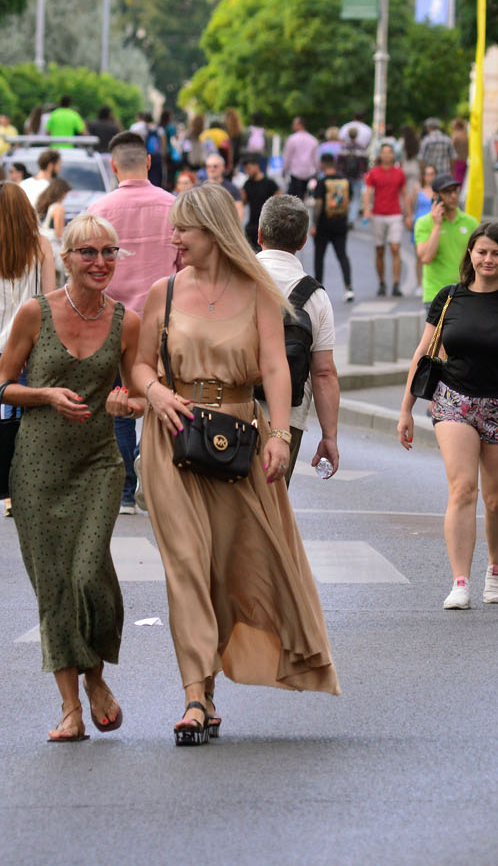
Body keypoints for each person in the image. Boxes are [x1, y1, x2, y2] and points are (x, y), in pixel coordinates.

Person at [130, 185, 339, 743]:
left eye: (184, 229)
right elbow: (139, 366)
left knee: (230, 566)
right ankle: (195, 696)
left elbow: (276, 370)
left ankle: (212, 687)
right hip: (172, 438)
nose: (173, 238)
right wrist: (154, 393)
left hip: (238, 439)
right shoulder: (163, 292)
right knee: (187, 564)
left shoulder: (259, 294)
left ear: (215, 233)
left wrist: (278, 435)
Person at [0, 213, 141, 741]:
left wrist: (130, 404)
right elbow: (2, 387)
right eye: (88, 253)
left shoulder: (128, 321)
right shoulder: (36, 313)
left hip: (99, 464)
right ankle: (72, 706)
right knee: (54, 587)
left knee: (87, 575)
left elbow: (141, 390)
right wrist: (46, 395)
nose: (100, 262)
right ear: (67, 258)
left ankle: (97, 675)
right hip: (35, 468)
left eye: (109, 252)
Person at [399, 221, 498, 610]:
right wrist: (406, 410)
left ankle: (495, 572)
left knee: (497, 500)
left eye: (496, 252)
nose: (488, 259)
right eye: (481, 251)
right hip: (454, 401)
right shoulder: (450, 298)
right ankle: (459, 581)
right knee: (462, 488)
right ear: (470, 255)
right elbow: (423, 352)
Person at [88, 131, 178, 512]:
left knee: (120, 404)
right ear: (150, 162)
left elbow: (85, 269)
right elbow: (184, 268)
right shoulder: (174, 207)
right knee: (160, 400)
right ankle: (151, 470)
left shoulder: (99, 209)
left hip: (115, 323)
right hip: (165, 324)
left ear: (113, 165)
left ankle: (124, 491)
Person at [0, 181, 59, 511]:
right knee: (20, 420)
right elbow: (48, 299)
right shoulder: (42, 246)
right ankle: (11, 494)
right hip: (26, 347)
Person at [255, 195, 342, 485]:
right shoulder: (315, 296)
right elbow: (324, 372)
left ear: (259, 234)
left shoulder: (237, 276)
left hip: (232, 409)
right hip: (287, 422)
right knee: (272, 510)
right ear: (303, 241)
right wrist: (329, 436)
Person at [414, 173, 478, 302]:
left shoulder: (471, 223)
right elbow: (426, 258)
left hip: (465, 294)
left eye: (455, 190)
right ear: (435, 196)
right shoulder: (424, 223)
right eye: (447, 192)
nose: (453, 195)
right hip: (436, 296)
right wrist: (437, 225)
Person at [361, 142, 410, 298]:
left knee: (395, 247)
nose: (387, 155)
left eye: (390, 152)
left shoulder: (399, 173)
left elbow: (404, 193)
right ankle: (382, 282)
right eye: (385, 152)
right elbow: (368, 191)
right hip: (378, 214)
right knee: (379, 249)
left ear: (393, 155)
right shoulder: (374, 173)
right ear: (380, 155)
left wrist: (408, 214)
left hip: (395, 213)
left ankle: (396, 283)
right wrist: (367, 209)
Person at [310, 154, 356, 301]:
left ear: (323, 165)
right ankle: (349, 288)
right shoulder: (345, 181)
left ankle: (318, 290)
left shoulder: (322, 182)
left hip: (324, 224)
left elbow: (318, 204)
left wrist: (314, 224)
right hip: (341, 223)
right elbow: (350, 199)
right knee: (342, 255)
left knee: (319, 257)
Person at [240, 155, 279, 249]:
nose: (247, 172)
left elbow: (279, 202)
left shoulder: (270, 183)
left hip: (267, 226)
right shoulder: (247, 184)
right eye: (245, 169)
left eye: (248, 168)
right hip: (252, 227)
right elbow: (242, 202)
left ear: (256, 166)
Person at [283, 116, 320, 199]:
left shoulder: (292, 139)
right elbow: (316, 159)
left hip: (295, 172)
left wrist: (285, 169)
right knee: (303, 197)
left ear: (300, 124)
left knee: (293, 197)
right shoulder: (313, 140)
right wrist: (317, 172)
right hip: (308, 172)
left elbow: (287, 156)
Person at [418, 118, 454, 183]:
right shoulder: (447, 139)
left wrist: (422, 173)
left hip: (430, 175)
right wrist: (451, 171)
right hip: (445, 174)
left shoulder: (426, 140)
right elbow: (453, 157)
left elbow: (421, 159)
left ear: (429, 127)